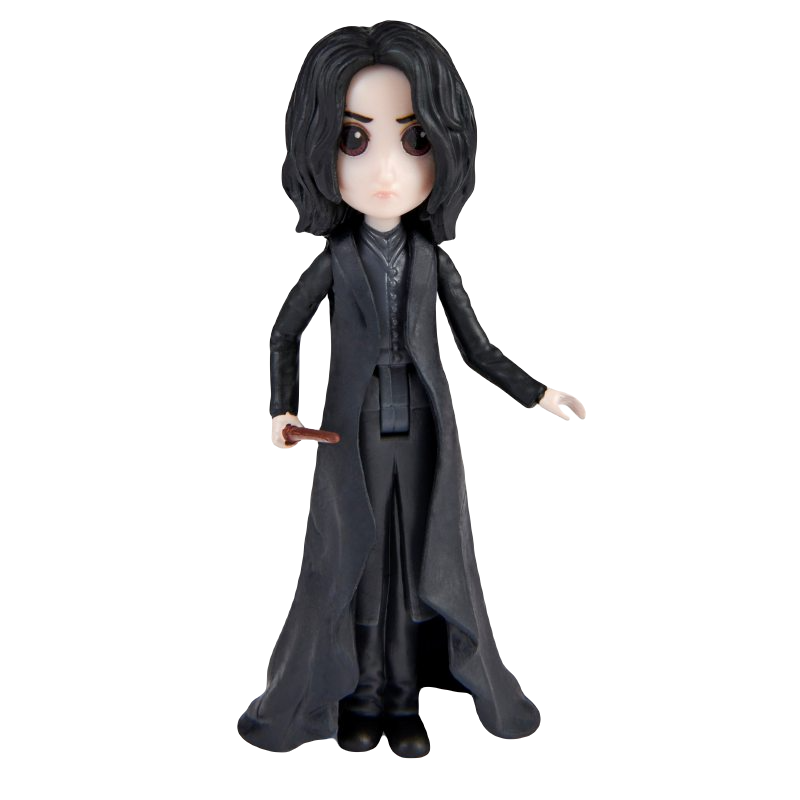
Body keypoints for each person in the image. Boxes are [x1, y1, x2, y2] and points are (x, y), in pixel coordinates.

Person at [238, 20, 586, 758]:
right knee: (356, 564)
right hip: (351, 433)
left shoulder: (434, 259)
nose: (387, 170)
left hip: (424, 430)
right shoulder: (335, 257)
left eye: (415, 139)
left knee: (418, 561)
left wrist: (535, 393)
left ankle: (403, 701)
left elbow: (476, 346)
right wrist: (281, 408)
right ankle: (361, 699)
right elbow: (284, 332)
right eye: (355, 139)